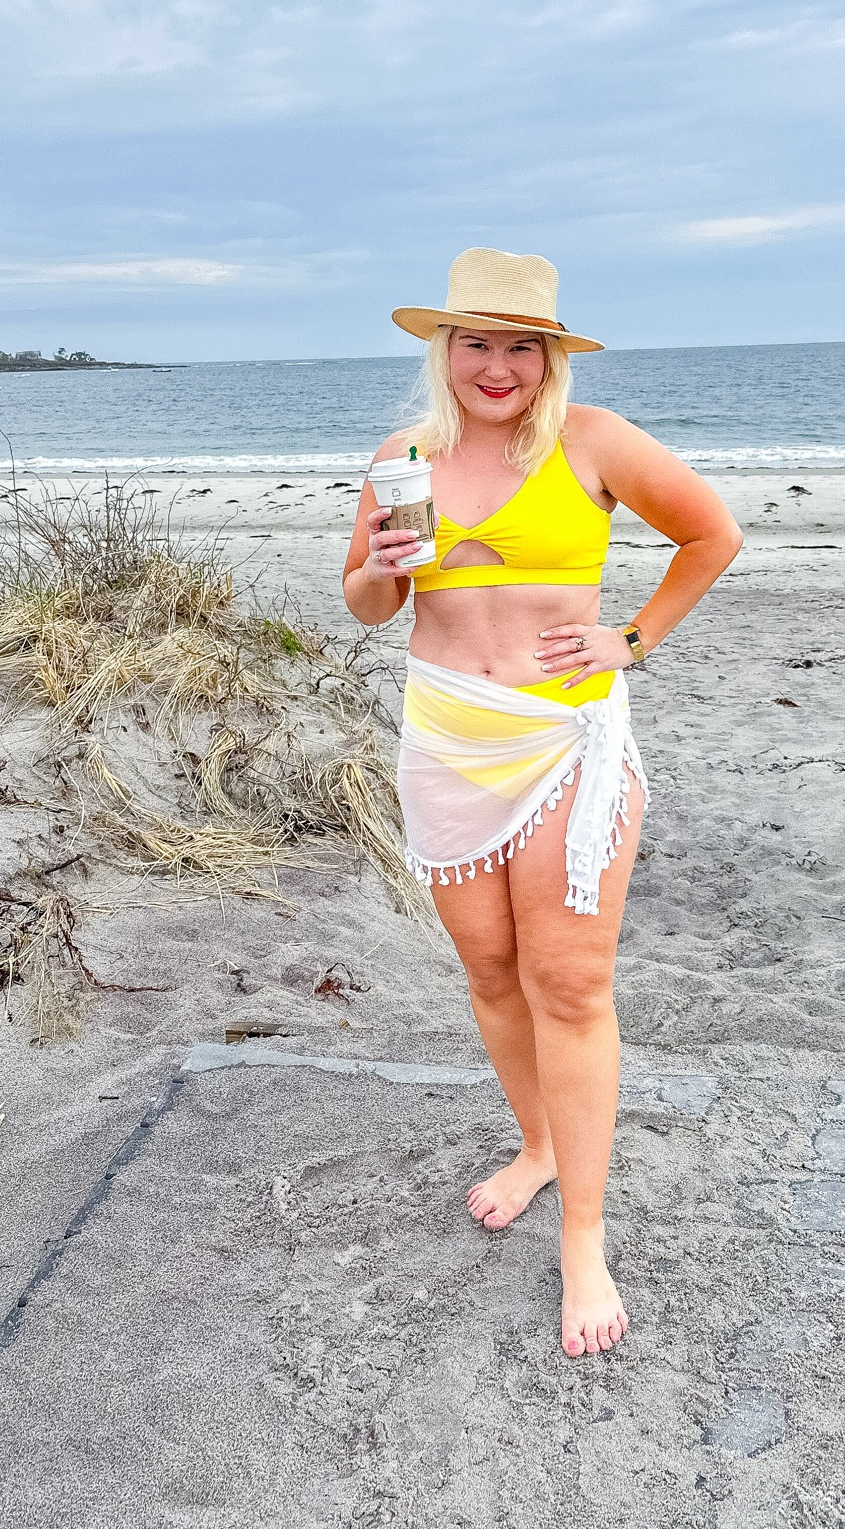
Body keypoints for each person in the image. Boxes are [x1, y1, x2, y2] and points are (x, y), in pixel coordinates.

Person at [343, 248, 742, 1357]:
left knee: (569, 979)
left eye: (524, 344)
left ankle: (583, 1235)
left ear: (551, 356)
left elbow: (713, 534)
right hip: (448, 739)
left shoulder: (594, 441)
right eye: (479, 340)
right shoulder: (402, 457)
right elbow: (368, 604)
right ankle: (538, 1141)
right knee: (486, 967)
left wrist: (630, 638)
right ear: (446, 349)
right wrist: (382, 560)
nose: (499, 364)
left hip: (567, 738)